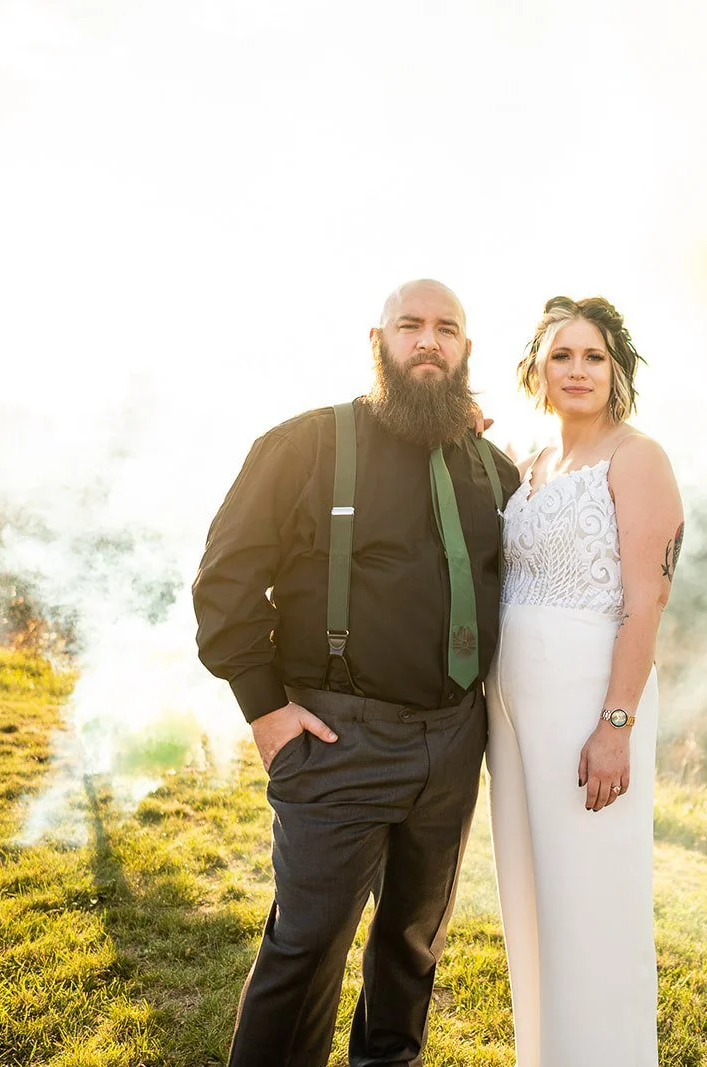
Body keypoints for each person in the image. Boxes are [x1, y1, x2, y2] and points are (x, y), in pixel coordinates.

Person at [191, 279, 520, 1067]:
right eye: (410, 325)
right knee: (306, 949)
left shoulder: (491, 467)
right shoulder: (303, 445)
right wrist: (266, 710)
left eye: (447, 329)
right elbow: (225, 584)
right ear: (378, 343)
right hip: (339, 735)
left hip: (452, 742)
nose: (429, 341)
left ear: (467, 352)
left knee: (412, 946)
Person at [486, 296, 684, 1066]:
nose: (577, 369)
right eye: (562, 355)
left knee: (593, 909)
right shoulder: (532, 464)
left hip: (588, 707)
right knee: (534, 906)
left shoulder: (639, 458)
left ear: (616, 370)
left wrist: (617, 724)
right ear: (538, 368)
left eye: (593, 356)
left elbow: (647, 600)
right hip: (514, 717)